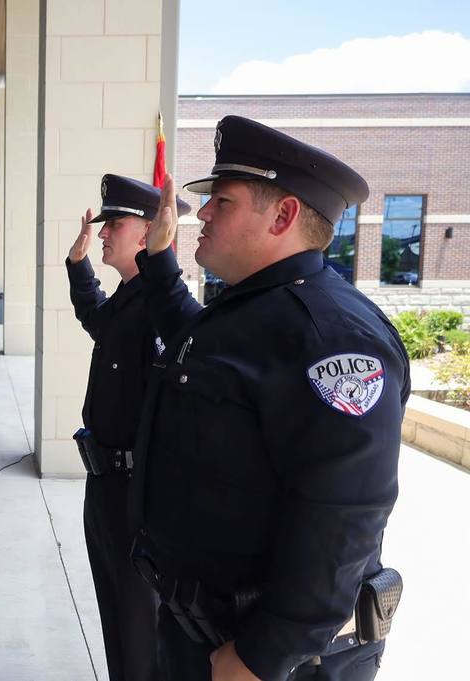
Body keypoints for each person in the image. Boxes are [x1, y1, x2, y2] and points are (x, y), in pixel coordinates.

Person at [130, 116, 410, 681]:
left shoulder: (331, 336)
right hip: (205, 632)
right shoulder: (253, 310)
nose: (202, 213)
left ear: (282, 216)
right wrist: (159, 264)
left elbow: (344, 513)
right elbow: (204, 350)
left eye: (222, 202)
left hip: (271, 658)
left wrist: (266, 654)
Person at [68, 175, 190, 681]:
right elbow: (96, 318)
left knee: (140, 625)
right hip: (105, 485)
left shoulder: (159, 307)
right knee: (116, 614)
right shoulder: (127, 298)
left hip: (137, 493)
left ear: (148, 234)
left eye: (113, 224)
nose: (101, 234)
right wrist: (77, 268)